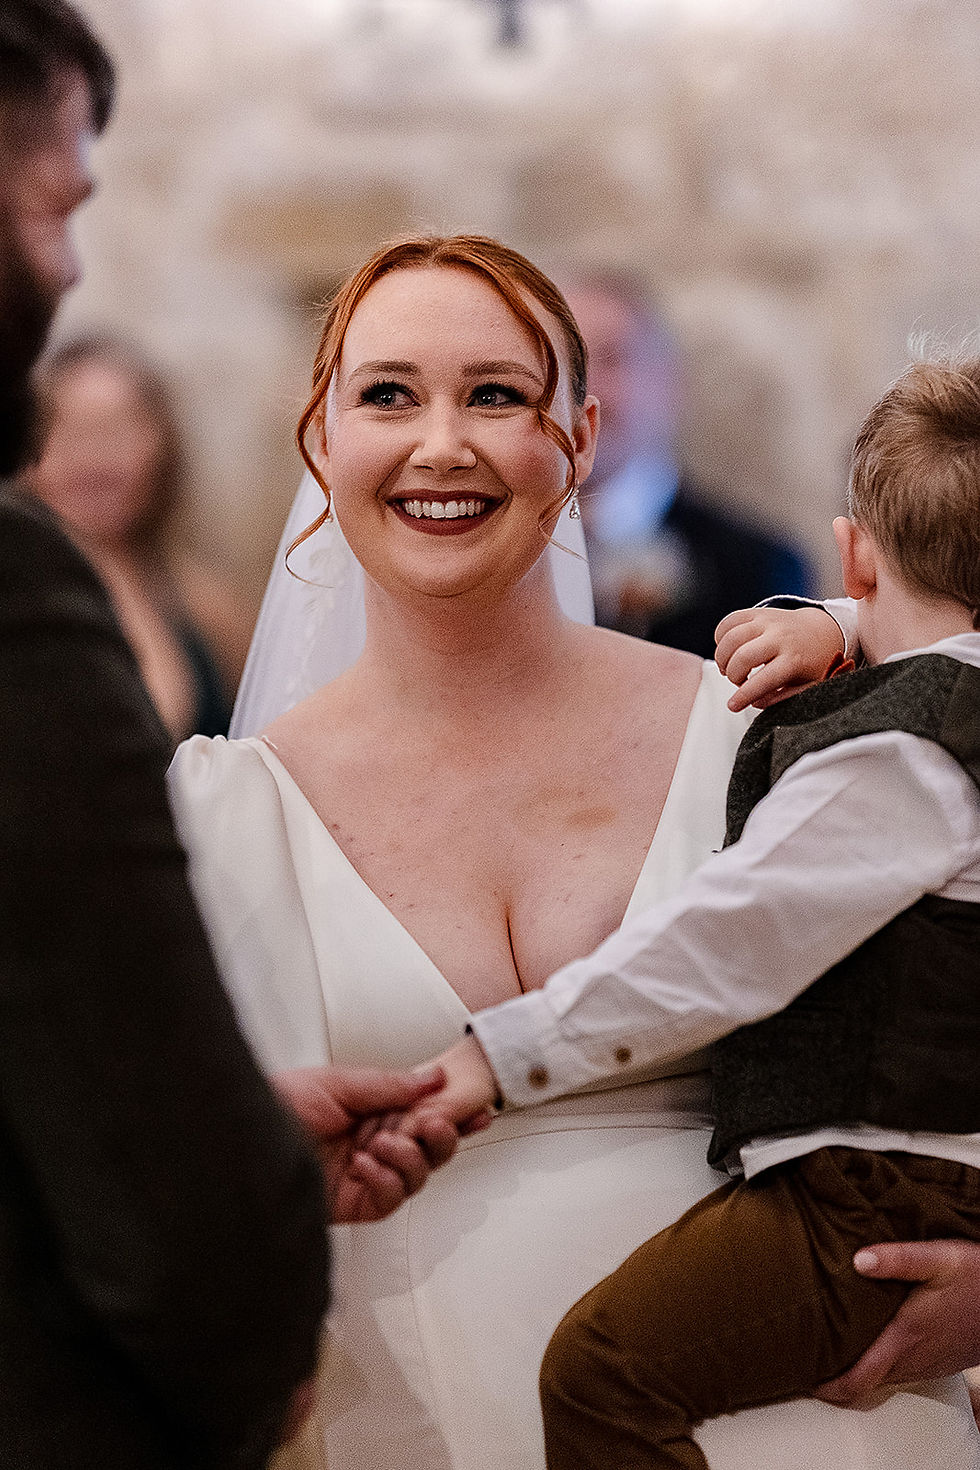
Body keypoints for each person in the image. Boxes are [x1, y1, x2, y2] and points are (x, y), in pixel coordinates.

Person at [168, 233, 979, 1469]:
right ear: (320, 441)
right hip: (416, 1425)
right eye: (387, 394)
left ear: (582, 436)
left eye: (496, 394)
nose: (442, 443)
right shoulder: (224, 808)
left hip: (827, 1421)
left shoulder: (769, 730)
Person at [0, 4, 459, 1465]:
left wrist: (232, 1133)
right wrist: (245, 1315)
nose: (69, 264)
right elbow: (167, 1196)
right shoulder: (20, 594)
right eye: (55, 203)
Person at [411, 356, 980, 1468]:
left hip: (868, 1192)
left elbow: (724, 943)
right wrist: (836, 623)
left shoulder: (896, 755)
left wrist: (494, 1057)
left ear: (852, 546)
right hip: (914, 1183)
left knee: (602, 1376)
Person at [563, 273, 812, 656]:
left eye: (610, 359)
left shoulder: (759, 568)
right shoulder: (490, 552)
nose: (581, 389)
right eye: (560, 362)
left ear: (668, 383)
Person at [30, 334, 249, 741]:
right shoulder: (20, 597)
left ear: (163, 444)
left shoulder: (205, 604)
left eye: (117, 427)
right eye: (68, 429)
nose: (93, 453)